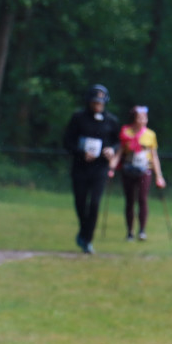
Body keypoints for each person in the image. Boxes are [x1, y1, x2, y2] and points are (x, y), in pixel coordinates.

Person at [62, 84, 120, 254]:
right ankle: (83, 229)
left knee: (94, 203)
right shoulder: (78, 118)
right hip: (81, 167)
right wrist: (81, 152)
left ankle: (87, 239)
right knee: (80, 202)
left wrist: (112, 150)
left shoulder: (111, 120)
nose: (98, 105)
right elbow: (67, 141)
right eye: (95, 102)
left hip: (100, 168)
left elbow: (117, 142)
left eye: (100, 103)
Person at [111, 105, 166, 241]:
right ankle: (130, 231)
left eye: (145, 118)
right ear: (134, 119)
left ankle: (142, 230)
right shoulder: (126, 133)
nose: (143, 120)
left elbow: (154, 156)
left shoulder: (150, 135)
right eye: (140, 118)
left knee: (142, 199)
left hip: (144, 170)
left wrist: (159, 176)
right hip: (128, 169)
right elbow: (120, 152)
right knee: (130, 201)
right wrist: (111, 168)